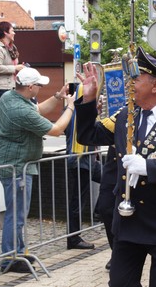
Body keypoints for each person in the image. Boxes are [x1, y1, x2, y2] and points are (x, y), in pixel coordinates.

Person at [75, 47, 156, 287]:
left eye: (135, 79)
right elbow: (87, 135)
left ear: (155, 85)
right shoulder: (126, 115)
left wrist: (148, 166)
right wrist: (88, 98)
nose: (129, 84)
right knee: (119, 283)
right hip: (129, 220)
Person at [0, 67, 74, 273]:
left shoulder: (10, 97)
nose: (41, 88)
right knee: (17, 214)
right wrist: (71, 108)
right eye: (39, 85)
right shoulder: (19, 109)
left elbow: (37, 111)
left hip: (15, 163)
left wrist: (58, 97)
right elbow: (56, 130)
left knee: (17, 212)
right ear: (30, 87)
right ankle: (10, 259)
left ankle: (17, 251)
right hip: (17, 167)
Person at [65, 83, 100, 250]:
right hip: (80, 160)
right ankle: (73, 237)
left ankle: (101, 210)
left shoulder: (74, 111)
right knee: (78, 201)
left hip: (87, 160)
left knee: (111, 179)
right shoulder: (75, 113)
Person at [0, 21, 26, 152]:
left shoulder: (11, 48)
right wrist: (15, 68)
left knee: (8, 116)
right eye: (12, 30)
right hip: (1, 87)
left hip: (10, 85)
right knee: (4, 116)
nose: (14, 32)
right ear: (5, 32)